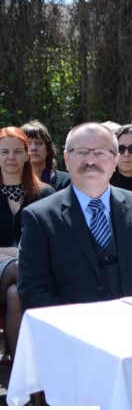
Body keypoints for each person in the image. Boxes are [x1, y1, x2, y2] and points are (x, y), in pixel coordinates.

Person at [18, 122, 132, 311]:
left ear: (115, 160)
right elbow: (33, 292)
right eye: (81, 152)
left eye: (100, 152)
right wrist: (87, 322)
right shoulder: (39, 217)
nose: (91, 161)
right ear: (66, 158)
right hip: (74, 332)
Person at [0, 128, 54, 357]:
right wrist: (14, 251)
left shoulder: (45, 194)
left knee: (16, 294)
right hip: (21, 271)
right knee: (20, 267)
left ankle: (18, 383)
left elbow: (52, 240)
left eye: (16, 151)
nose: (10, 157)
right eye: (4, 152)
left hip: (32, 272)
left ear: (26, 155)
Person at [21, 120, 71, 191]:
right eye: (28, 144)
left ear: (48, 149)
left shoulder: (65, 182)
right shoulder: (11, 183)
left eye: (39, 143)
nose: (33, 148)